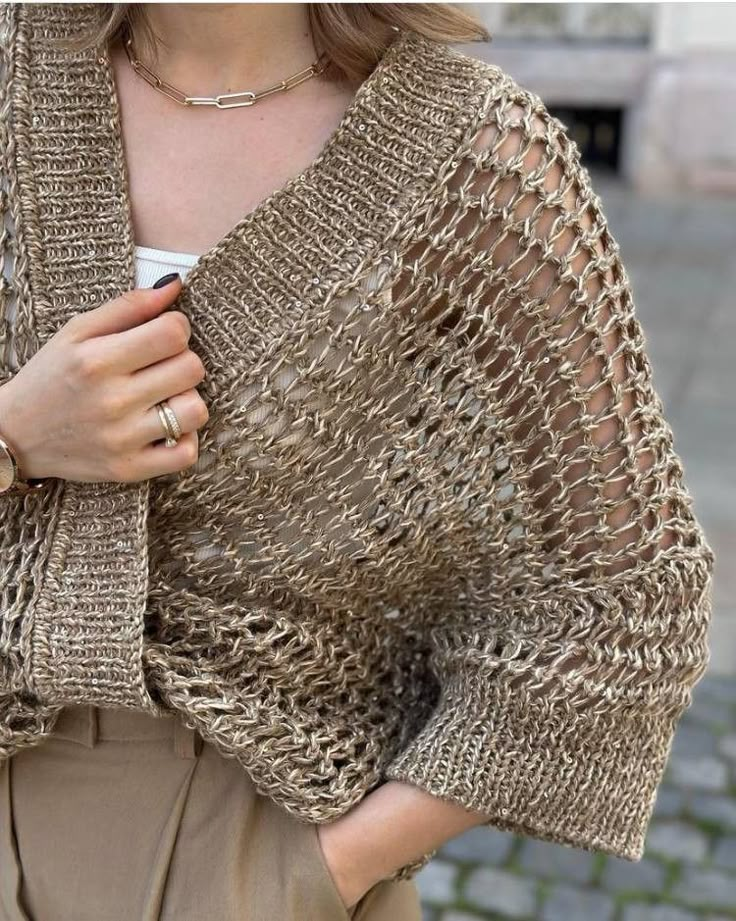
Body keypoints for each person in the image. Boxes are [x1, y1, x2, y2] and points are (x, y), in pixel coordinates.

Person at [0, 3, 715, 921]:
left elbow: (624, 607)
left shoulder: (477, 163)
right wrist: (17, 434)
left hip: (245, 839)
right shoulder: (17, 71)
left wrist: (312, 878)